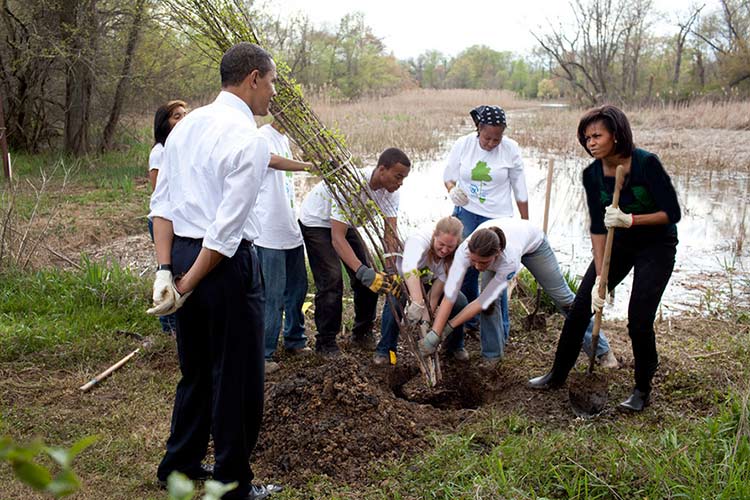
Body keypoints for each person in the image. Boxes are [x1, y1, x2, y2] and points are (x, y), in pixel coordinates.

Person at [147, 42, 311, 499]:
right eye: (273, 82)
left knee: (196, 368)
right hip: (221, 267)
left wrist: (167, 270)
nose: (273, 93)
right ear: (254, 78)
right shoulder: (249, 141)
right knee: (237, 374)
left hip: (182, 253)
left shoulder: (188, 125)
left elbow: (161, 205)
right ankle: (232, 484)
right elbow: (225, 233)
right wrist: (184, 284)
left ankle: (178, 465)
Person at [528, 105, 681, 412]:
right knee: (580, 306)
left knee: (638, 319)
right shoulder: (592, 174)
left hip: (656, 245)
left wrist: (631, 219)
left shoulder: (646, 163)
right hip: (618, 245)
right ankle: (558, 374)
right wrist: (600, 276)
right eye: (586, 138)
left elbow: (671, 213)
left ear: (616, 134)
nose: (590, 143)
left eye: (597, 135)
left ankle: (642, 388)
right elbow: (598, 227)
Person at [419, 218, 616, 369]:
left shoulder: (508, 260)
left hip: (534, 245)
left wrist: (450, 326)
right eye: (474, 261)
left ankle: (602, 351)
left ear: (496, 255)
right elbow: (451, 295)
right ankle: (492, 357)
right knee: (490, 306)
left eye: (483, 263)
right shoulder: (465, 252)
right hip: (492, 245)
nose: (477, 267)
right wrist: (436, 333)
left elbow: (479, 301)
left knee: (564, 300)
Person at [298, 148, 411, 356]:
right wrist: (360, 271)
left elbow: (390, 234)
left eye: (403, 178)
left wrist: (390, 268)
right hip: (316, 221)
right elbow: (337, 238)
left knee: (371, 275)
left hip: (344, 224)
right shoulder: (351, 184)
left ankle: (362, 332)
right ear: (382, 169)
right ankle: (326, 342)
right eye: (398, 176)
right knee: (332, 279)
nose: (400, 182)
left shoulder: (391, 193)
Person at [443, 105, 529, 339]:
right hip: (468, 212)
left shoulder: (510, 149)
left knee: (494, 272)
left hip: (497, 217)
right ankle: (471, 321)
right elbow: (448, 177)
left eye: (497, 138)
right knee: (467, 267)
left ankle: (500, 327)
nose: (491, 143)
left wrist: (526, 222)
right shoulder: (463, 144)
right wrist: (452, 191)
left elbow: (520, 188)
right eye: (487, 137)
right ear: (478, 129)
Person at [374, 216, 469, 365]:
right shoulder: (418, 239)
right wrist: (417, 302)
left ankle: (454, 346)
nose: (444, 250)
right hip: (404, 278)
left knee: (460, 301)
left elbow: (434, 296)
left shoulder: (455, 257)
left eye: (450, 247)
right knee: (395, 300)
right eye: (441, 244)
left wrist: (425, 322)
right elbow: (409, 267)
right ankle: (385, 349)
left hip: (428, 282)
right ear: (434, 235)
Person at [255, 120, 309, 375]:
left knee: (298, 290)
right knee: (272, 296)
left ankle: (295, 340)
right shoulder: (262, 135)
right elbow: (272, 161)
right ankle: (263, 354)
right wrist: (309, 166)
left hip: (290, 230)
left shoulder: (285, 138)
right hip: (269, 234)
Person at [147, 99, 187, 335]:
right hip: (163, 220)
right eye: (176, 116)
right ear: (165, 123)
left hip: (178, 219)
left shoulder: (180, 148)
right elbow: (159, 194)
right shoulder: (160, 152)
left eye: (184, 115)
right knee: (167, 267)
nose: (182, 119)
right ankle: (168, 325)